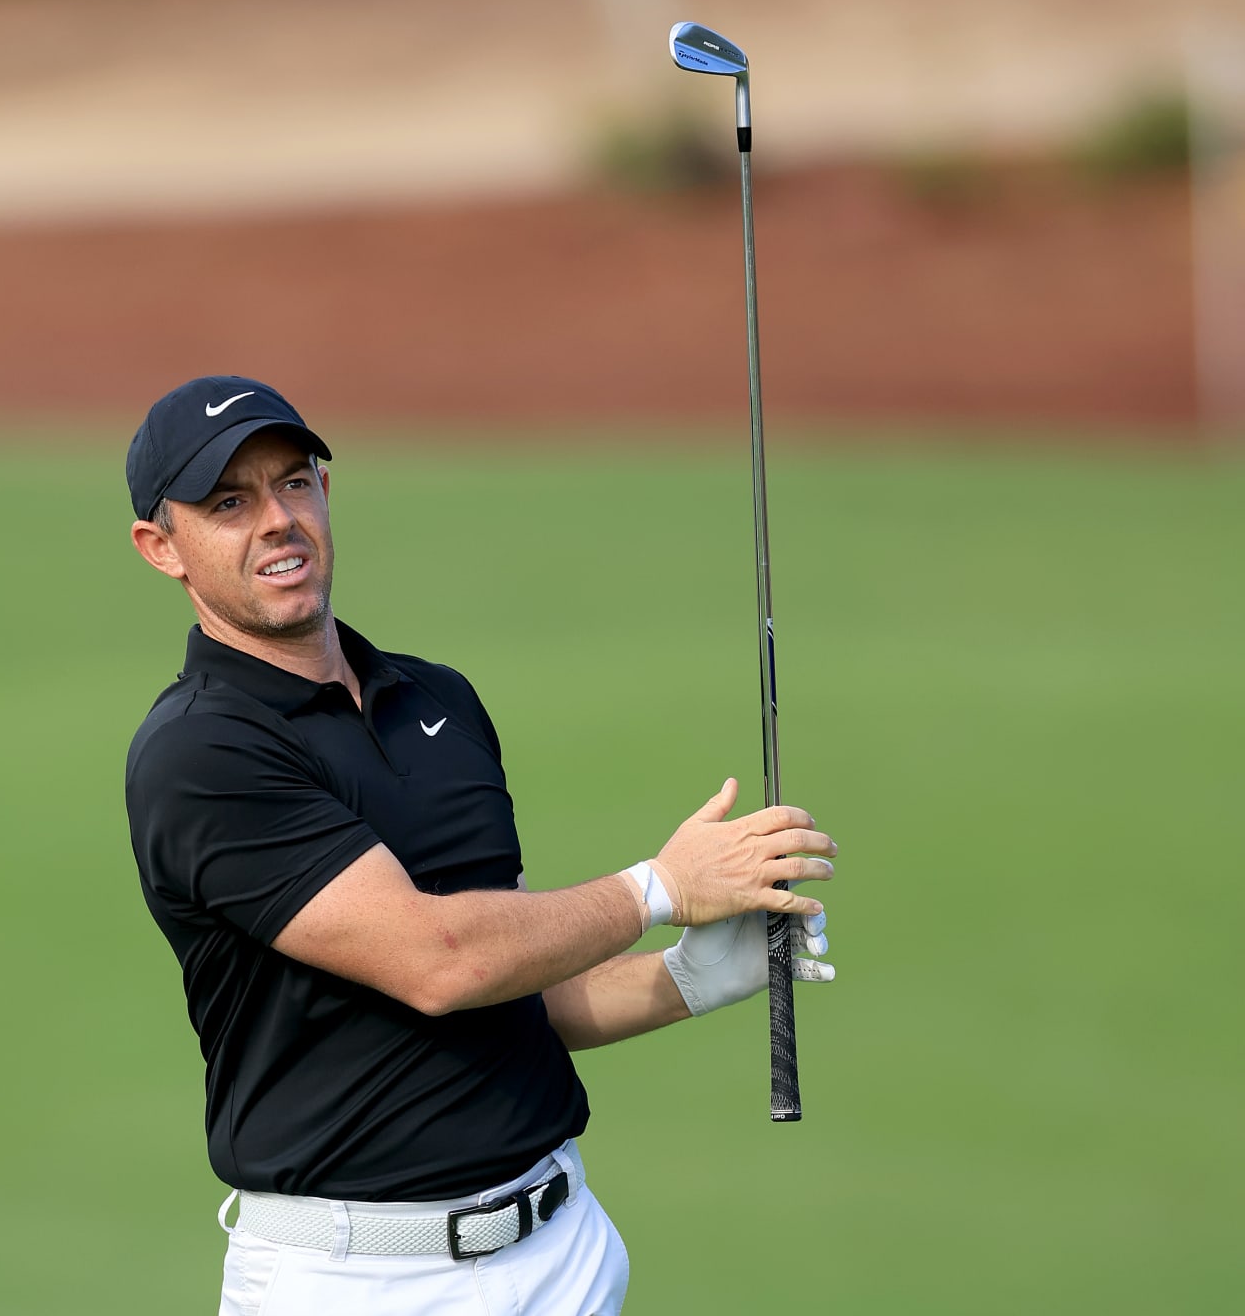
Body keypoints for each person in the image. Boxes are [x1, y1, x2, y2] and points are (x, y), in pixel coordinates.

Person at [122, 375, 837, 1316]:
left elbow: (512, 988)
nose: (277, 521)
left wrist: (688, 977)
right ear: (161, 547)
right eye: (228, 503)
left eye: (294, 484)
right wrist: (660, 885)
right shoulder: (200, 752)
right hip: (358, 1282)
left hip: (564, 1252)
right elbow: (439, 959)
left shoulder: (439, 700)